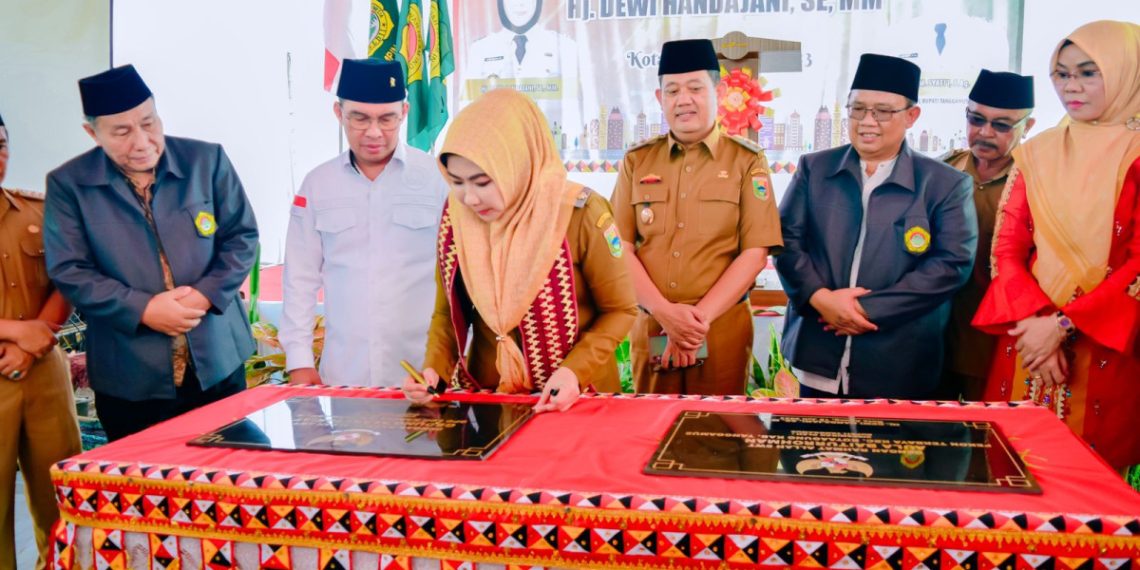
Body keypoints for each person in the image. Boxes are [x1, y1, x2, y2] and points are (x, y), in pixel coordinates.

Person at [43, 65, 259, 441]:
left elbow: (242, 237)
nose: (142, 141)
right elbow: (70, 270)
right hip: (129, 375)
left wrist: (204, 295)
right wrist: (143, 309)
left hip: (217, 360)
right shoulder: (69, 184)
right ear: (92, 133)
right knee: (141, 476)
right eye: (122, 132)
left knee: (229, 469)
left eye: (149, 123)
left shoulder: (205, 161)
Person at [402, 88, 637, 412]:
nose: (470, 198)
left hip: (575, 400)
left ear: (518, 165)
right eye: (456, 182)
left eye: (482, 182)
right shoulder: (457, 218)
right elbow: (447, 314)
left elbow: (620, 310)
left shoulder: (578, 214)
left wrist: (574, 371)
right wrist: (433, 371)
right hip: (490, 402)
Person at [973, 20, 1140, 472]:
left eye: (1088, 72)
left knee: (1093, 486)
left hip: (1104, 343)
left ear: (1126, 70)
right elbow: (1006, 249)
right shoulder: (1038, 152)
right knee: (1013, 477)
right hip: (1027, 340)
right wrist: (1036, 324)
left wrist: (1062, 326)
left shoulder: (1136, 155)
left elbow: (1137, 266)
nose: (1072, 87)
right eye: (1062, 74)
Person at [775, 53, 977, 399]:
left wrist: (864, 310)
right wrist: (822, 300)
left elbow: (951, 265)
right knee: (812, 435)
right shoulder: (814, 169)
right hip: (818, 349)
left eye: (883, 111)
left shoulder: (944, 184)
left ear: (912, 116)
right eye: (858, 109)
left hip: (900, 359)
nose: (867, 121)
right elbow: (786, 241)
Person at [610, 38, 783, 395]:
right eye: (672, 90)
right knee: (653, 422)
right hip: (653, 324)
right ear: (660, 98)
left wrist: (693, 324)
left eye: (695, 88)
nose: (683, 99)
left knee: (717, 424)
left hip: (720, 328)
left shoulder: (746, 161)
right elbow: (619, 247)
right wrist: (665, 313)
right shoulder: (637, 161)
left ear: (717, 92)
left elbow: (755, 253)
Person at [281, 59, 448, 387]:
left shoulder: (438, 179)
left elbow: (460, 277)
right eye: (360, 118)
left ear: (404, 112)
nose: (374, 132)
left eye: (387, 118)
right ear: (339, 112)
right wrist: (298, 361)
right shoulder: (317, 185)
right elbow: (299, 279)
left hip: (426, 373)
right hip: (345, 374)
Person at [0, 111, 82, 570]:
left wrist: (34, 342)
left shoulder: (39, 210)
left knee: (63, 498)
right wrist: (15, 332)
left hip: (45, 373)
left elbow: (67, 280)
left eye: (0, 145)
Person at [938, 70, 1035, 401]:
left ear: (1028, 126)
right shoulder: (942, 172)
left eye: (1001, 125)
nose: (985, 132)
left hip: (993, 340)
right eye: (976, 119)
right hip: (934, 335)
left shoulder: (1036, 183)